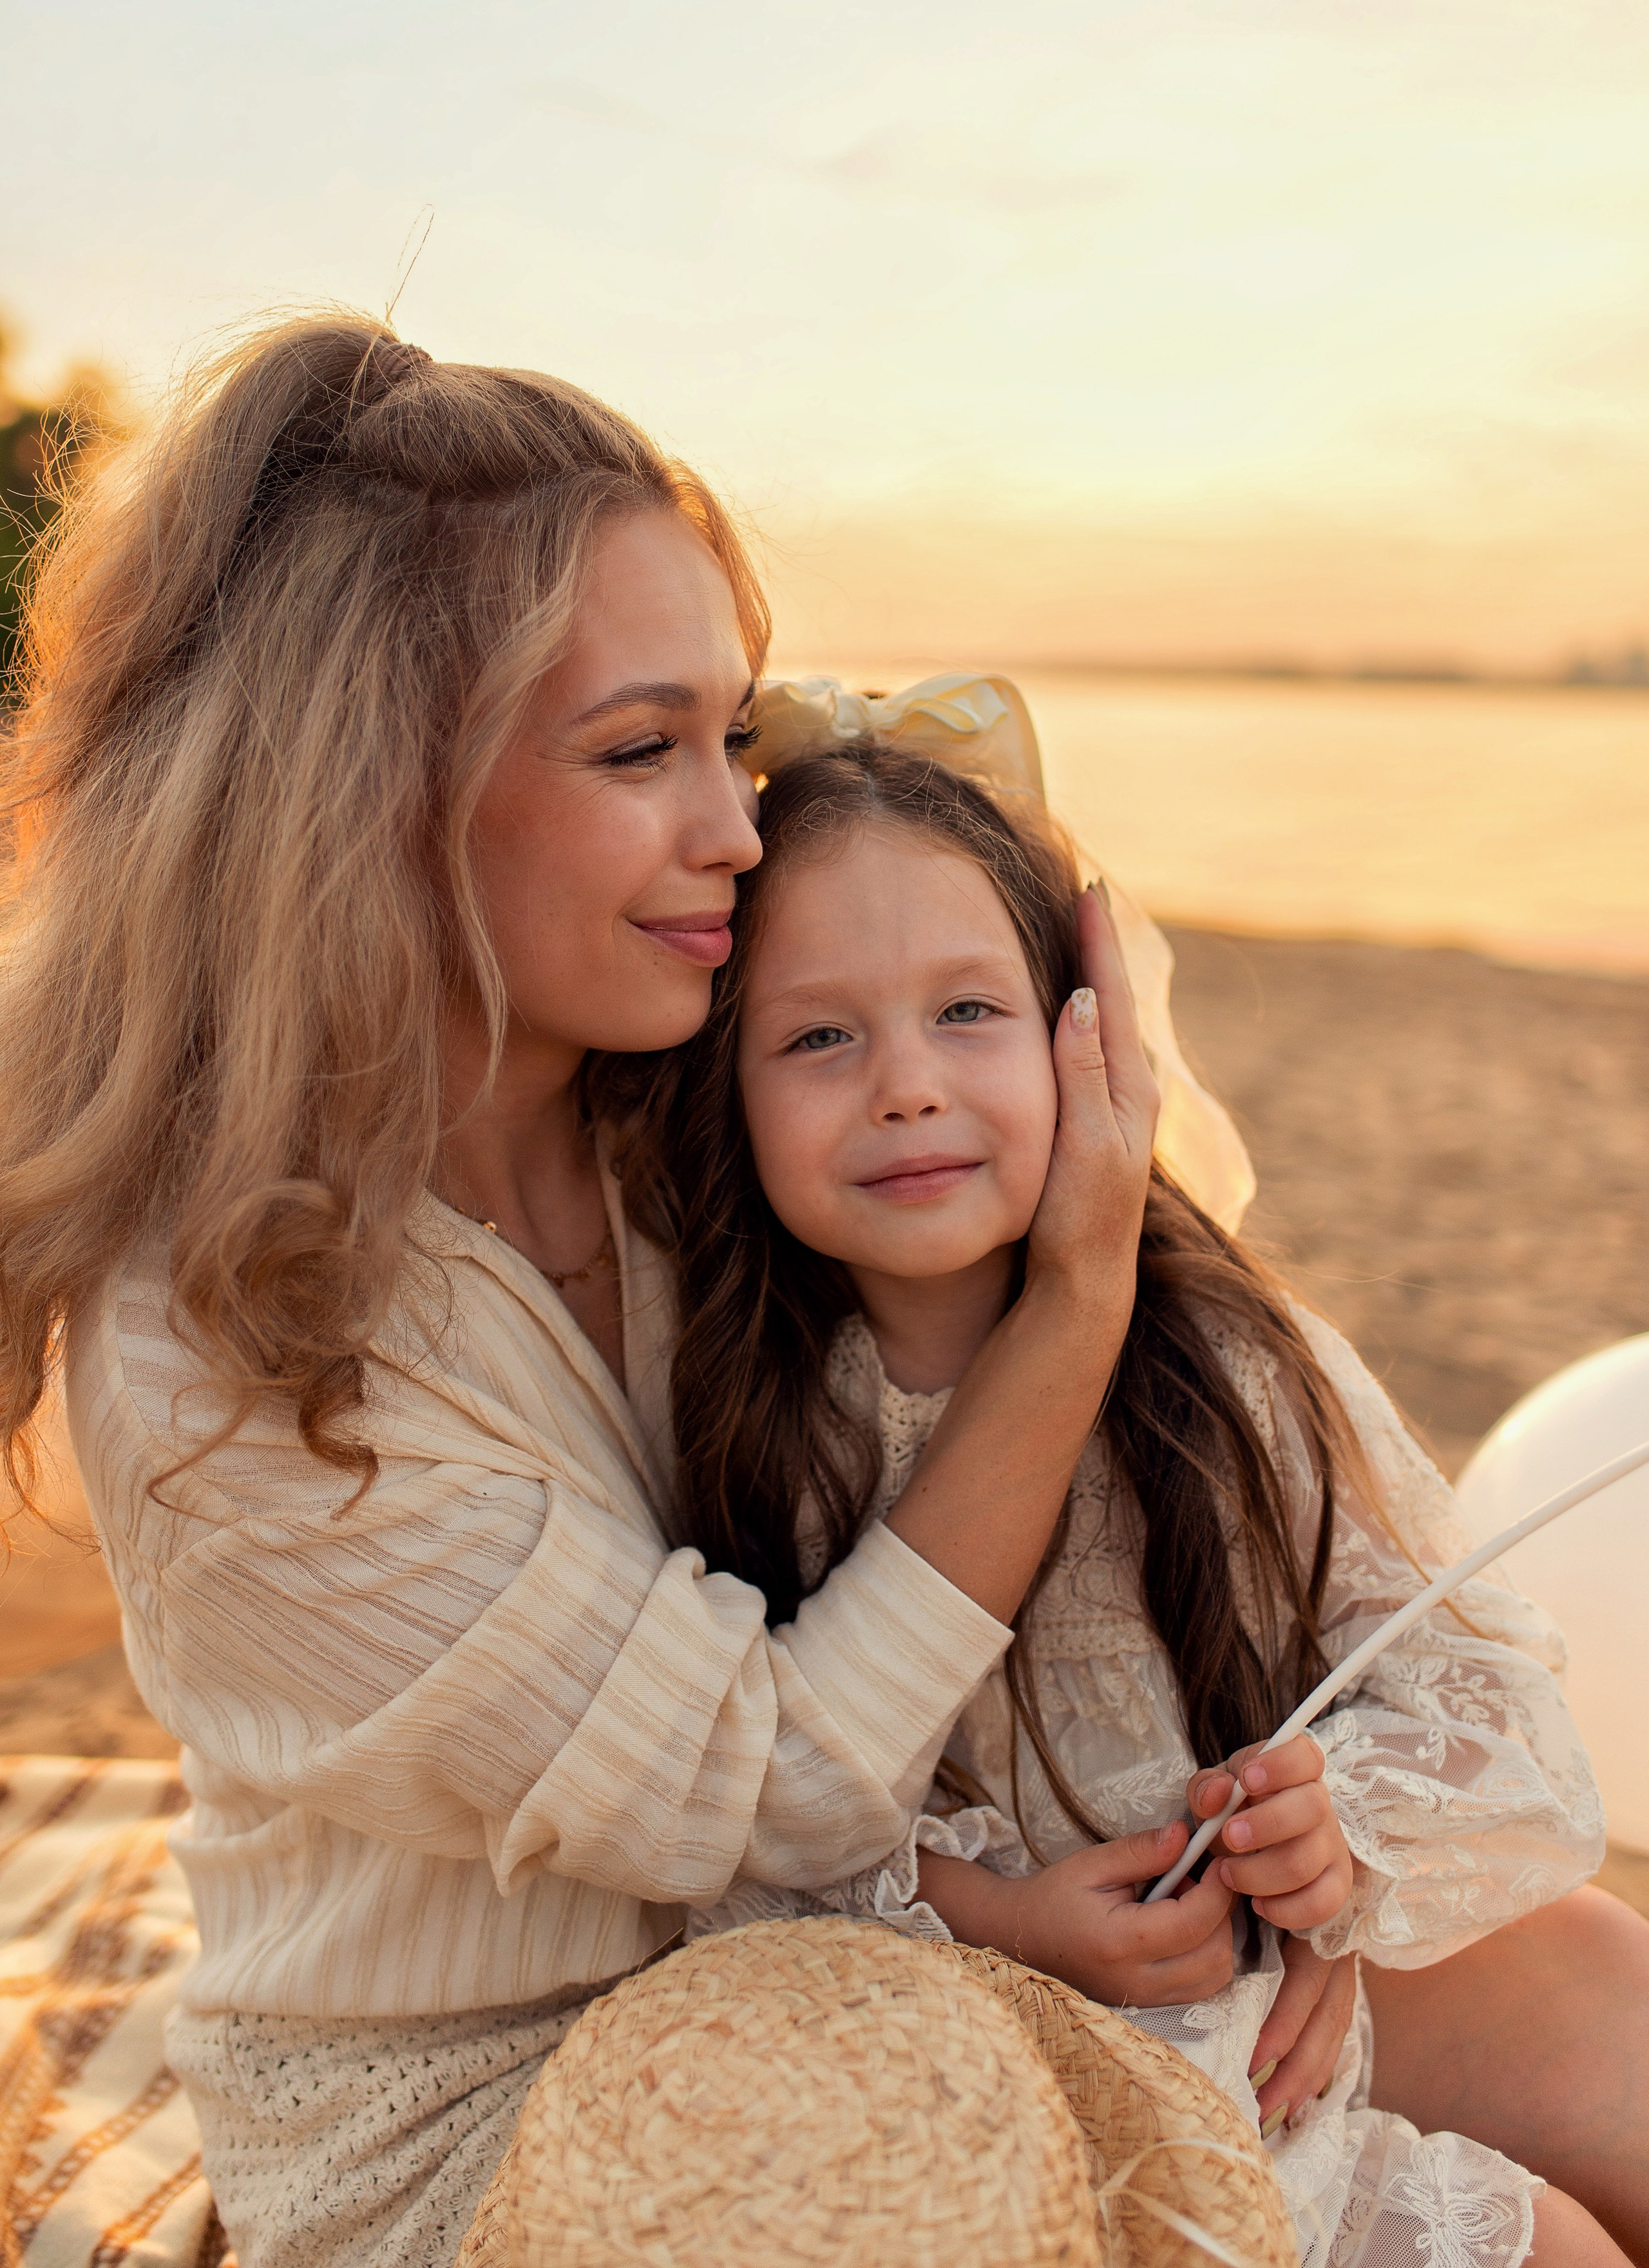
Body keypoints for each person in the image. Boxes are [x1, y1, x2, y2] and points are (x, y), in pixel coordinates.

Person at [0, 313, 1641, 2266]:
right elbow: (769, 1781)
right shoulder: (217, 1335)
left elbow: (967, 1064)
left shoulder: (687, 1096)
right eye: (641, 751)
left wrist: (1316, 1890)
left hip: (890, 1924)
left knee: (1574, 1970)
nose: (737, 828)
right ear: (368, 796)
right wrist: (1074, 1309)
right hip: (496, 2116)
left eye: (738, 733)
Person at [605, 723, 1649, 2268]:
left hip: (1266, 2025)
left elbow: (1481, 1679)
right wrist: (1002, 1921)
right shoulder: (746, 1409)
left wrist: (1336, 1844)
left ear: (1077, 1042)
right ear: (727, 1089)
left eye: (968, 1011)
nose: (904, 1087)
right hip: (969, 2075)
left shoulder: (1213, 1352)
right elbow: (743, 1835)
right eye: (817, 1037)